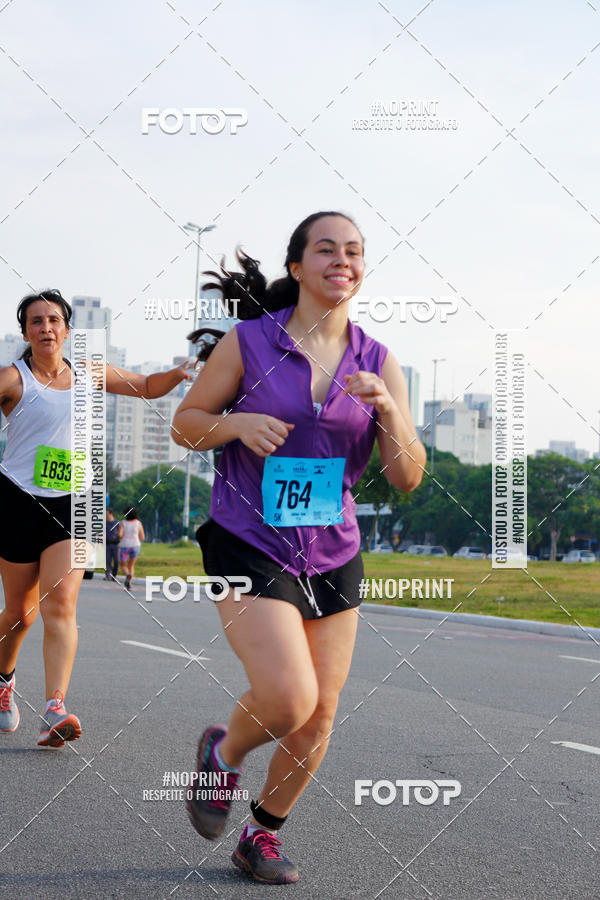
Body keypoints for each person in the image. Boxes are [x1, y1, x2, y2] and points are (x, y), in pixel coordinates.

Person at [172, 211, 426, 884]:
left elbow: (407, 476)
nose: (341, 260)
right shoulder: (249, 343)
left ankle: (261, 835)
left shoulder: (379, 360)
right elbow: (186, 424)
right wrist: (237, 423)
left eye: (353, 252)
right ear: (296, 267)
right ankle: (222, 757)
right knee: (288, 698)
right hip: (247, 539)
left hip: (332, 551)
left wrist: (392, 411)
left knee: (320, 715)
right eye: (325, 249)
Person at [0, 290, 192, 746]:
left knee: (61, 605)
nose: (45, 327)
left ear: (66, 329)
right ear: (25, 331)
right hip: (17, 499)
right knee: (20, 614)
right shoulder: (12, 378)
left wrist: (180, 373)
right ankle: (4, 683)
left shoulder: (89, 372)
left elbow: (146, 387)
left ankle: (54, 708)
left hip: (77, 502)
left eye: (53, 320)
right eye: (35, 321)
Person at [119, 508, 145, 590]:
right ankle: (129, 584)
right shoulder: (138, 523)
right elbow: (142, 537)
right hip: (135, 545)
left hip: (124, 545)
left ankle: (127, 575)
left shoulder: (123, 523)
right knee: (131, 566)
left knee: (123, 565)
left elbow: (120, 535)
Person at [105, 508, 121, 581]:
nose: (105, 515)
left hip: (116, 544)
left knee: (116, 561)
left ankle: (114, 575)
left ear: (111, 514)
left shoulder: (117, 523)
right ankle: (108, 575)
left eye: (106, 514)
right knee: (107, 561)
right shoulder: (104, 523)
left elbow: (121, 533)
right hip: (107, 544)